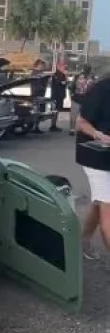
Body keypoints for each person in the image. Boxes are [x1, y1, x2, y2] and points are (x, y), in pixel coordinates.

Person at [75, 74, 110, 258]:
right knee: (107, 206)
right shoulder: (102, 89)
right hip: (95, 155)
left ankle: (83, 241)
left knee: (100, 202)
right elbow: (81, 122)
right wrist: (99, 135)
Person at [69, 65, 95, 135]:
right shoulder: (79, 76)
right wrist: (71, 94)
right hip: (79, 98)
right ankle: (73, 129)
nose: (87, 70)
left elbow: (94, 87)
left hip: (84, 98)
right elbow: (72, 86)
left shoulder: (91, 77)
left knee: (81, 115)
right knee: (76, 115)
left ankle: (78, 129)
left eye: (88, 69)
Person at [49, 66, 67, 131]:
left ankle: (53, 125)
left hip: (57, 95)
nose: (65, 68)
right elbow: (61, 83)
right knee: (55, 110)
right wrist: (64, 82)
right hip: (57, 96)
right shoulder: (58, 75)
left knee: (56, 110)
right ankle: (53, 126)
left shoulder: (57, 75)